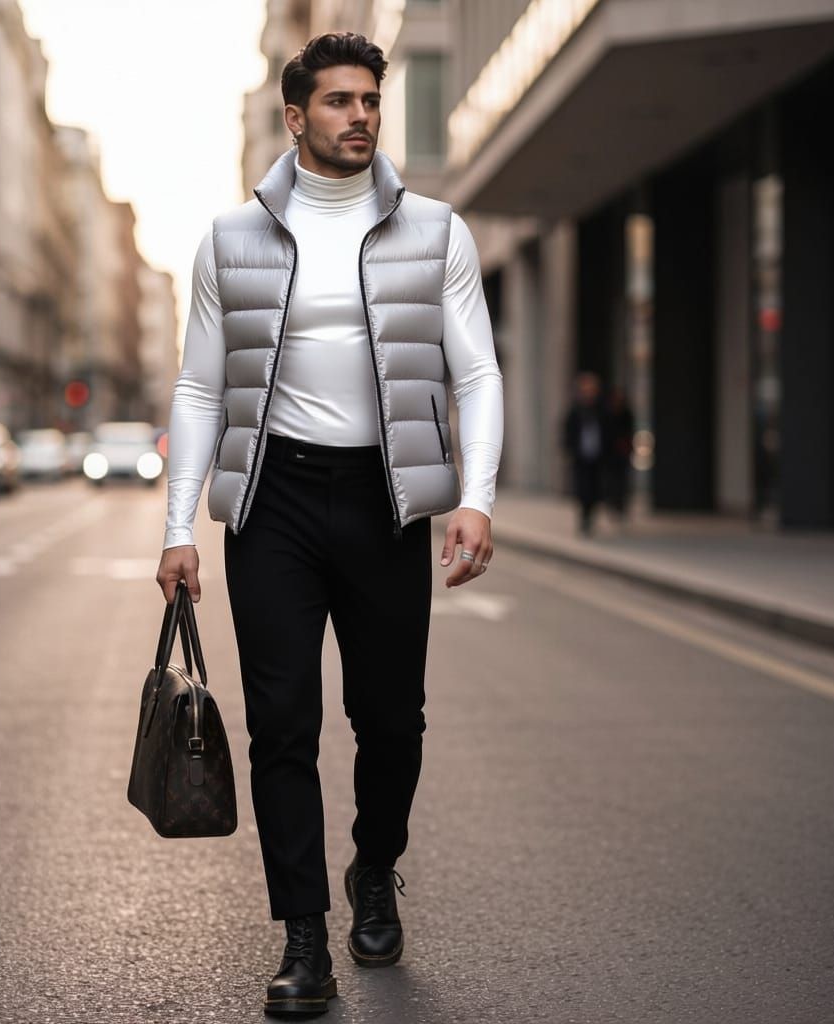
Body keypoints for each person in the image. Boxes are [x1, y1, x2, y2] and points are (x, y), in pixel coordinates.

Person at [156, 32, 503, 1018]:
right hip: (272, 503)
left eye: (370, 100)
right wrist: (180, 523)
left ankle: (375, 865)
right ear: (296, 116)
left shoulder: (437, 229)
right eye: (339, 101)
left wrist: (475, 495)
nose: (360, 116)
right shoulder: (230, 238)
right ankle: (302, 935)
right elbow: (196, 383)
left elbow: (475, 371)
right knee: (282, 727)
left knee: (391, 720)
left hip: (386, 501)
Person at [562, 372, 607, 536]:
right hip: (580, 456)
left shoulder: (601, 409)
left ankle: (591, 516)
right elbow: (568, 431)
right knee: (582, 487)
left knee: (595, 488)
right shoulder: (576, 410)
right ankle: (584, 517)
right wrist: (569, 449)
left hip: (596, 455)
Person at [603, 385, 634, 521]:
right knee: (611, 479)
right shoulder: (607, 413)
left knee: (622, 480)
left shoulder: (626, 413)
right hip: (610, 453)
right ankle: (612, 503)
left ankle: (620, 504)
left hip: (622, 452)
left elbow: (629, 431)